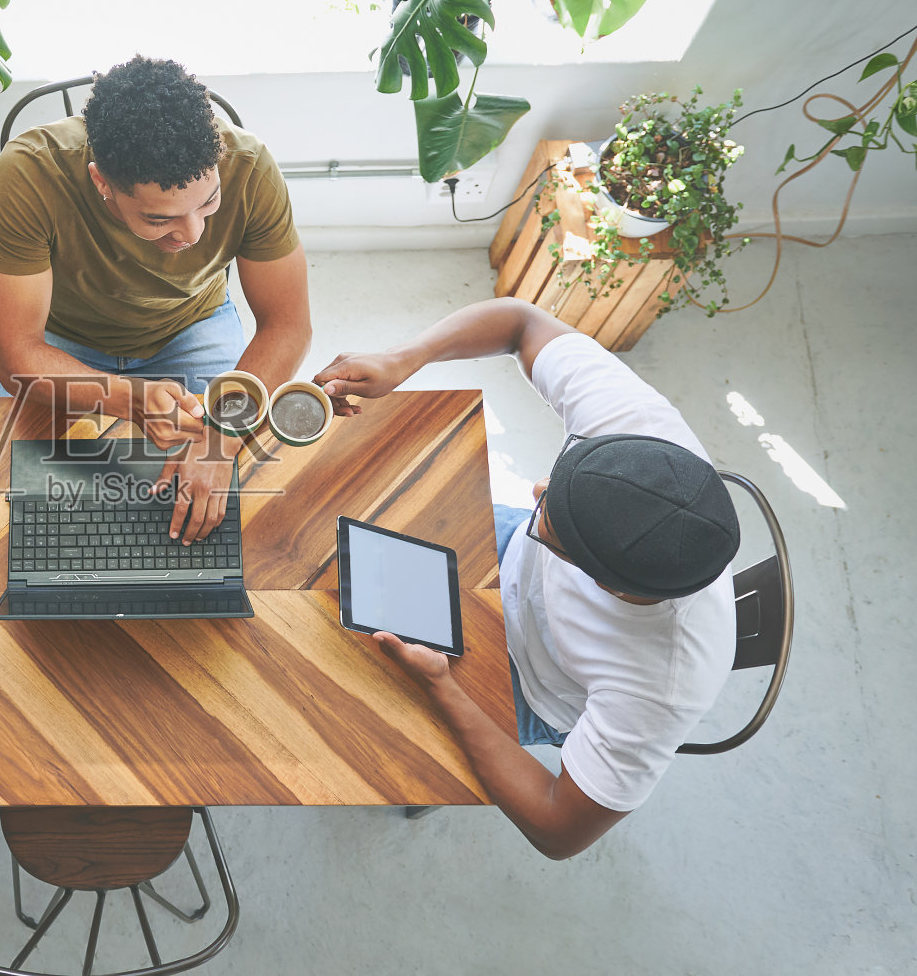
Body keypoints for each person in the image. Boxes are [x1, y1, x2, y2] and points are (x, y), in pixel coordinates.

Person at [313, 298, 741, 859]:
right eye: (561, 478)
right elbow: (521, 321)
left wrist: (445, 689)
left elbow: (558, 830)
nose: (537, 490)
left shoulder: (660, 684)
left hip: (530, 682)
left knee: (328, 716)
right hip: (510, 553)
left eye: (552, 519)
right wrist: (404, 358)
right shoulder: (641, 437)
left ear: (605, 584)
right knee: (325, 519)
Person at [0, 56, 312, 545]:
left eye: (208, 203)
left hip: (193, 325)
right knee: (20, 510)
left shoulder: (249, 165)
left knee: (230, 508)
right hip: (64, 340)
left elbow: (287, 326)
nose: (193, 233)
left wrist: (220, 441)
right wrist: (126, 399)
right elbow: (15, 354)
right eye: (160, 220)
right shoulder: (29, 173)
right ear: (101, 183)